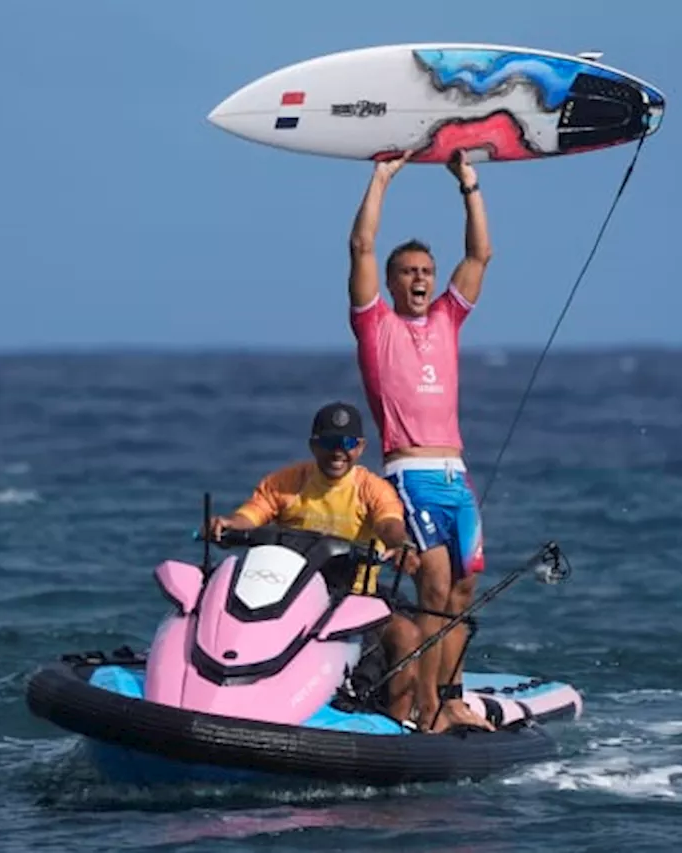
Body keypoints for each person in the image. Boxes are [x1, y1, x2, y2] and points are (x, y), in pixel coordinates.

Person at [345, 148, 496, 733]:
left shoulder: (446, 320)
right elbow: (360, 246)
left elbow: (480, 254)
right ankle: (427, 708)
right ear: (390, 280)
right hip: (410, 474)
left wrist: (468, 183)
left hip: (457, 475)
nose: (420, 280)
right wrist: (382, 177)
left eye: (426, 273)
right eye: (408, 272)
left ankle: (451, 696)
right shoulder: (373, 324)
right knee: (430, 581)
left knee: (462, 587)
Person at [206, 401, 424, 725]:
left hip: (355, 601)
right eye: (329, 443)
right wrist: (228, 524)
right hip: (289, 597)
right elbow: (249, 517)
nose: (338, 453)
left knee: (406, 635)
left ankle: (397, 727)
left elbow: (389, 525)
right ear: (313, 444)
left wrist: (401, 546)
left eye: (348, 444)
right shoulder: (285, 483)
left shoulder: (373, 490)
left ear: (360, 448)